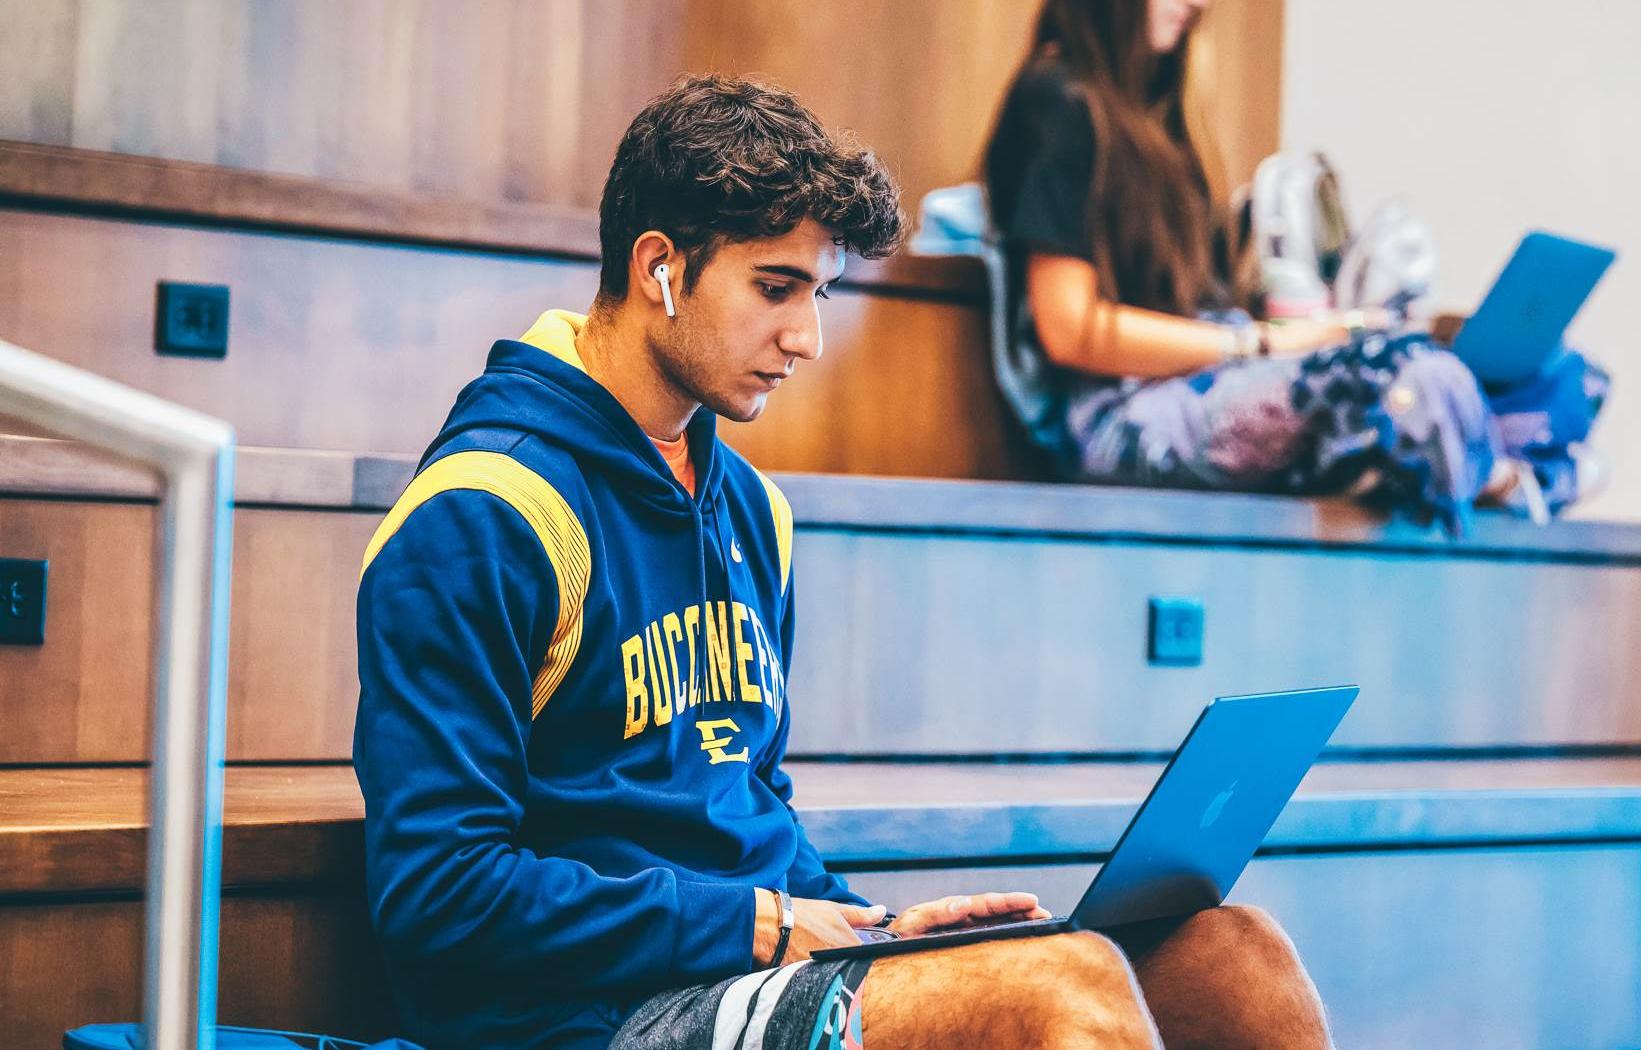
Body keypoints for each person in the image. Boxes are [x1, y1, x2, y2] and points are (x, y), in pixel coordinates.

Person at [354, 74, 1334, 1050]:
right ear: (659, 267)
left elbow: (744, 807)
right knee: (1053, 991)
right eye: (774, 288)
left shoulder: (751, 511)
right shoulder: (484, 513)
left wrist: (874, 929)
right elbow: (441, 895)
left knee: (1232, 955)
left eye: (818, 294)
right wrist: (765, 925)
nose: (807, 338)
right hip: (593, 1017)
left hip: (750, 969)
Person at [984, 0, 1606, 529]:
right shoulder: (1058, 100)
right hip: (1124, 415)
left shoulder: (1156, 115)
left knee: (1555, 374)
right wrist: (1259, 343)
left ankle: (1465, 459)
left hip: (1201, 373)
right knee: (1408, 376)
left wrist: (1317, 331)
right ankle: (1499, 476)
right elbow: (1069, 330)